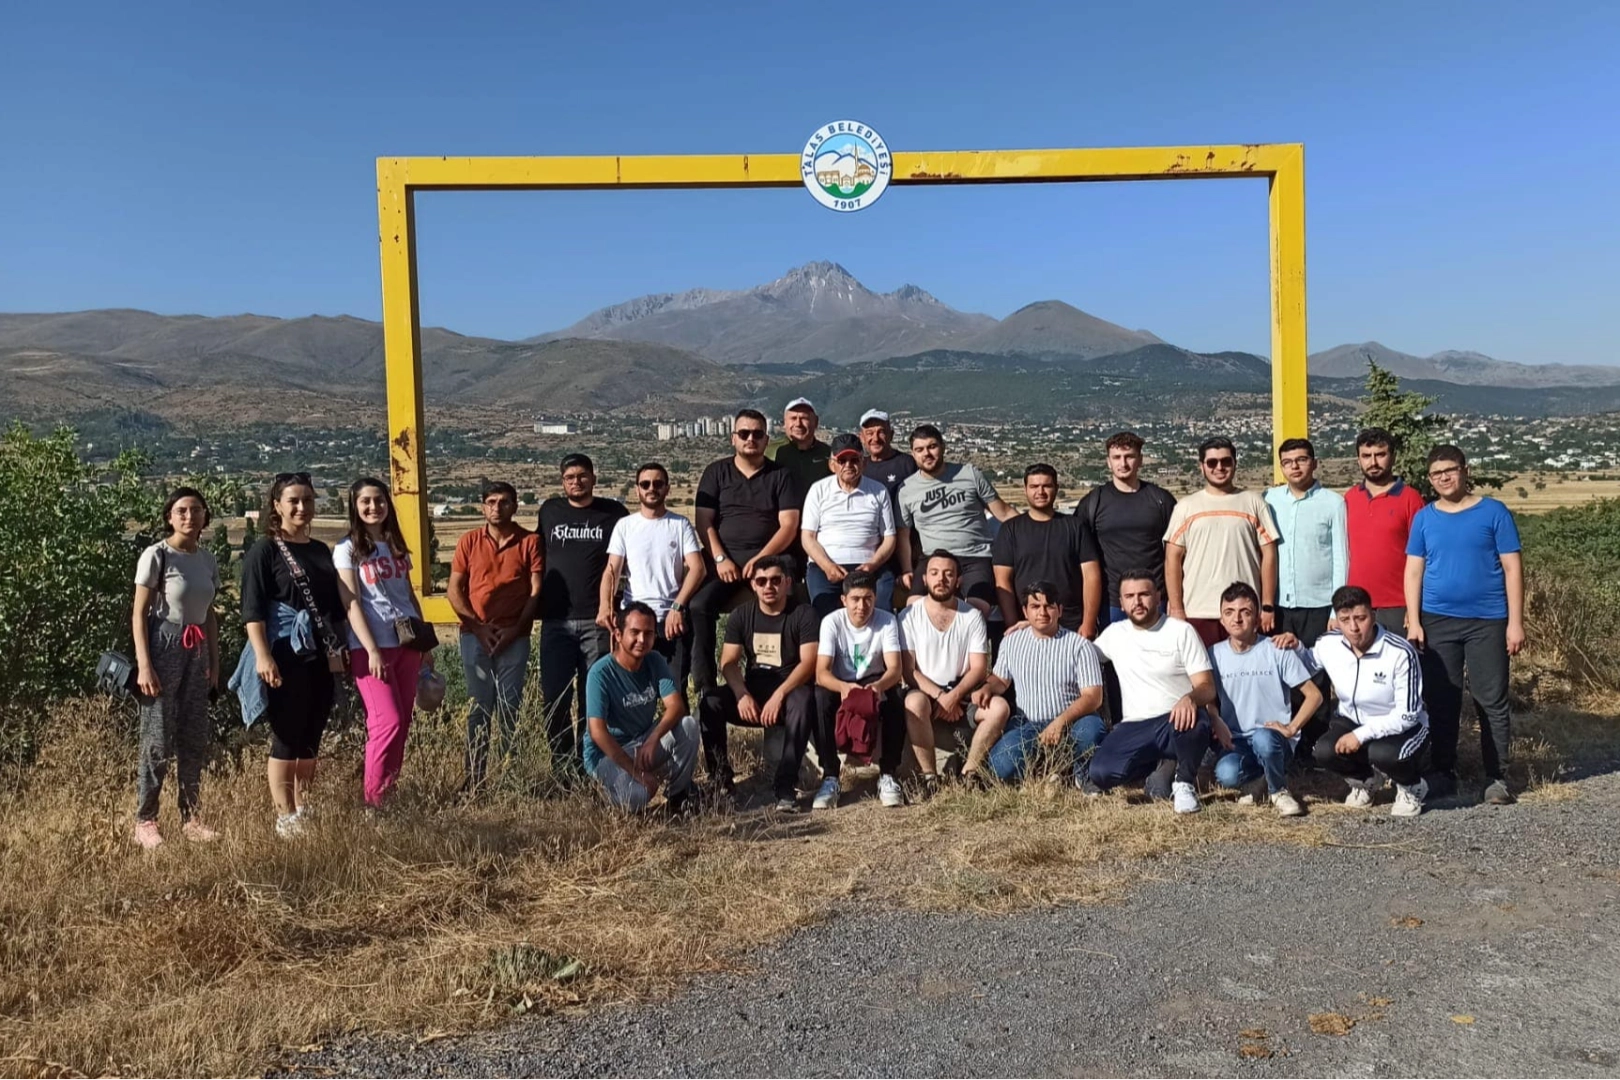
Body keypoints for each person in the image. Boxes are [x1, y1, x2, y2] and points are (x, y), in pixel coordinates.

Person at [1404, 445, 1525, 804]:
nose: (1444, 477)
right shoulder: (1424, 518)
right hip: (1437, 620)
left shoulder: (1494, 512)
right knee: (1442, 700)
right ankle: (1443, 772)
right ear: (1430, 479)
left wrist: (1515, 622)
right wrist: (1414, 620)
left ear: (1465, 471)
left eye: (1450, 470)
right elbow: (1413, 571)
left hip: (1488, 620)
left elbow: (1513, 568)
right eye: (1436, 473)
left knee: (1491, 699)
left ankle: (1497, 777)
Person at [237, 472, 348, 837]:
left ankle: (304, 806)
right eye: (294, 501)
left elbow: (333, 608)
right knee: (287, 733)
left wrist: (338, 649)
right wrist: (263, 656)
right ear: (277, 506)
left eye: (308, 500)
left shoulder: (319, 551)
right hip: (283, 652)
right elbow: (252, 611)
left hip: (318, 653)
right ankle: (284, 815)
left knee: (312, 732)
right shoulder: (264, 551)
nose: (302, 507)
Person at [130, 487, 222, 848]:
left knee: (193, 735)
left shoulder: (207, 560)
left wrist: (214, 661)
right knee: (157, 736)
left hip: (196, 650)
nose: (189, 516)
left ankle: (191, 817)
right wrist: (144, 665)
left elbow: (209, 614)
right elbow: (139, 613)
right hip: (164, 646)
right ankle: (145, 820)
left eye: (196, 510)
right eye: (181, 510)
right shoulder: (157, 555)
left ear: (204, 516)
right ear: (169, 516)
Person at [334, 478, 431, 808]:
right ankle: (373, 802)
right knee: (386, 722)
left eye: (379, 500)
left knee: (402, 723)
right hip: (371, 647)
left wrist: (425, 643)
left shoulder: (395, 545)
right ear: (354, 506)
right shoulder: (347, 549)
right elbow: (351, 603)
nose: (373, 507)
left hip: (407, 642)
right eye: (365, 501)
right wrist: (372, 649)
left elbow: (409, 595)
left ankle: (388, 794)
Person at [697, 556, 821, 811]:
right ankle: (721, 781)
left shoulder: (803, 613)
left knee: (803, 698)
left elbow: (809, 662)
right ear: (753, 585)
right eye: (761, 581)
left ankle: (785, 785)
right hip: (753, 695)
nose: (768, 586)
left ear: (787, 582)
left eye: (775, 580)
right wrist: (741, 693)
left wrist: (779, 695)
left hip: (789, 694)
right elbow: (728, 662)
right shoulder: (742, 615)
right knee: (711, 702)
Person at [1086, 572, 1215, 814]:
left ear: (1157, 597)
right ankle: (1160, 765)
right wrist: (1036, 630)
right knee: (1101, 773)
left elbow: (1207, 686)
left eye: (1144, 594)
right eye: (1129, 596)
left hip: (1174, 721)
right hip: (1134, 725)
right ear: (1121, 603)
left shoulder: (1181, 631)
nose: (1137, 602)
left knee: (1196, 720)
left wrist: (1190, 698)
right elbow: (1077, 655)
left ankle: (1184, 783)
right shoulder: (1114, 634)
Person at [691, 409, 801, 694]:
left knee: (789, 608)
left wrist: (762, 559)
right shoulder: (716, 472)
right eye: (744, 433)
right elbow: (703, 522)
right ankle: (706, 689)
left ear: (766, 440)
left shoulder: (781, 475)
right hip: (724, 560)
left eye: (757, 434)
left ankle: (787, 683)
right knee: (699, 606)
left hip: (771, 559)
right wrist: (720, 558)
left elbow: (789, 525)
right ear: (733, 438)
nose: (750, 438)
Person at [448, 481, 543, 793]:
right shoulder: (469, 541)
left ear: (514, 506)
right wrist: (478, 627)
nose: (497, 507)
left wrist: (516, 629)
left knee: (510, 708)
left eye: (504, 501)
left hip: (515, 637)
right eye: (491, 501)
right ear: (482, 507)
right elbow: (454, 590)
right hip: (475, 635)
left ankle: (509, 779)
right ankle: (474, 779)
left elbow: (535, 591)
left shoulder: (529, 541)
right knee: (479, 708)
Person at [537, 454, 627, 776]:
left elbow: (625, 559)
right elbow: (535, 557)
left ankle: (590, 767)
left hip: (597, 620)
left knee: (593, 698)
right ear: (562, 481)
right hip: (556, 620)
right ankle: (562, 768)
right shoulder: (549, 511)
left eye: (582, 475)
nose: (577, 481)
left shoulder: (614, 513)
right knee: (555, 697)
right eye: (570, 477)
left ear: (593, 478)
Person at [1312, 585, 1430, 817]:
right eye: (1345, 620)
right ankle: (1365, 780)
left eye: (1360, 618)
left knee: (1381, 753)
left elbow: (1407, 715)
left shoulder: (1400, 652)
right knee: (1323, 751)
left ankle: (1412, 786)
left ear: (1373, 615)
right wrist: (1291, 646)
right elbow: (1304, 665)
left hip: (1402, 726)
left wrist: (1360, 735)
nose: (1353, 628)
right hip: (1352, 719)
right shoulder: (1327, 644)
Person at [1263, 437, 1346, 759]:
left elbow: (1341, 557)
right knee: (1281, 673)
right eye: (1287, 462)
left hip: (1319, 604)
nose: (1294, 466)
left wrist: (1337, 610)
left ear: (1314, 463)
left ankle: (1314, 746)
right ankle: (1284, 741)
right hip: (1279, 605)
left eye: (1301, 459)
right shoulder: (1269, 499)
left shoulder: (1333, 503)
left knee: (1316, 675)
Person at [975, 582, 1106, 785]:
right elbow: (1001, 679)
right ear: (1025, 611)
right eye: (1035, 607)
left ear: (1059, 610)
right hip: (1028, 724)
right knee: (1000, 765)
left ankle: (1081, 775)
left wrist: (1060, 722)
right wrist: (988, 687)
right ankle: (1045, 770)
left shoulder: (1079, 645)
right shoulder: (1011, 642)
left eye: (1049, 606)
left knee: (1091, 732)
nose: (1042, 612)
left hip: (1072, 722)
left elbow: (1093, 697)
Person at [1206, 582, 1319, 817]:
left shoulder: (1276, 649)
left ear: (1257, 619)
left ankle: (1279, 791)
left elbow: (1314, 696)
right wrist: (1215, 719)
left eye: (1245, 612)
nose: (1237, 619)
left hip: (1273, 737)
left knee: (1263, 739)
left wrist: (1291, 728)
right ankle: (1263, 778)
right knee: (1226, 774)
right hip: (1237, 741)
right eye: (1229, 612)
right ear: (1222, 620)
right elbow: (1207, 696)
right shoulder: (1213, 654)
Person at [584, 602, 701, 814]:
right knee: (637, 797)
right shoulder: (600, 673)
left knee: (689, 725)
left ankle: (677, 797)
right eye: (635, 632)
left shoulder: (654, 660)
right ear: (618, 635)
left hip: (644, 741)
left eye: (648, 634)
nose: (641, 640)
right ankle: (603, 793)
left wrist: (654, 738)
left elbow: (676, 706)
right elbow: (597, 732)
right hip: (608, 754)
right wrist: (636, 773)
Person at [600, 462, 706, 694]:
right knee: (629, 691)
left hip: (670, 621)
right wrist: (604, 607)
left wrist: (678, 606)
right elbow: (612, 571)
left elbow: (698, 568)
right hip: (633, 620)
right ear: (637, 489)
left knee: (673, 691)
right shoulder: (625, 526)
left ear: (667, 488)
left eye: (658, 484)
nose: (651, 488)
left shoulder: (680, 524)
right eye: (645, 484)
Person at [1164, 437, 1279, 648]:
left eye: (1226, 461)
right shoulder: (1186, 507)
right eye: (1212, 462)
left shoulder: (1253, 502)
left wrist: (1267, 605)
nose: (1219, 467)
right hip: (1198, 611)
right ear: (1201, 466)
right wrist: (1177, 609)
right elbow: (1173, 559)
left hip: (1244, 612)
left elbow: (1269, 554)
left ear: (1235, 463)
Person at [899, 551, 991, 793]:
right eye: (935, 573)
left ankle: (969, 773)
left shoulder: (972, 616)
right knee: (914, 702)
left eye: (948, 574)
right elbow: (908, 670)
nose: (941, 579)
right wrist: (941, 696)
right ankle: (930, 777)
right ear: (925, 579)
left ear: (958, 580)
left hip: (963, 692)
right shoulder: (908, 616)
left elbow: (979, 668)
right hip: (926, 693)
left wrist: (955, 695)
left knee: (999, 709)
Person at [896, 424, 1016, 609]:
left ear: (943, 447)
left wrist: (1034, 530)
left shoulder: (970, 474)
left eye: (932, 446)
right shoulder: (906, 490)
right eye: (920, 449)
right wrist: (907, 569)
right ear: (913, 454)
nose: (926, 453)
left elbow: (1003, 512)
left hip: (974, 558)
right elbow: (903, 535)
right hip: (933, 559)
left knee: (977, 610)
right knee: (914, 608)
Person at [815, 571, 907, 808]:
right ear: (844, 600)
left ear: (875, 598)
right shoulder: (831, 622)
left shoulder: (887, 620)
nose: (861, 606)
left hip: (874, 678)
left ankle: (888, 774)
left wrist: (878, 686)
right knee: (820, 697)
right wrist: (843, 687)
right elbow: (821, 673)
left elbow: (895, 668)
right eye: (855, 599)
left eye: (868, 599)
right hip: (841, 680)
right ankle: (830, 775)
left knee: (896, 697)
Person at [1075, 432, 1177, 628]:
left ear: (1140, 460)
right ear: (1108, 462)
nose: (1123, 463)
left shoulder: (1161, 500)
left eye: (1129, 456)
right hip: (1112, 601)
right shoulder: (1093, 503)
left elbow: (1175, 553)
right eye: (1117, 457)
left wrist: (1174, 600)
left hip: (1156, 598)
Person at [992, 463, 1101, 636]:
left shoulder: (1076, 527)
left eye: (1046, 486)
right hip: (1025, 625)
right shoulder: (1010, 530)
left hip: (1071, 624)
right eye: (1034, 486)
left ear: (1056, 488)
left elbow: (1091, 576)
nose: (1040, 492)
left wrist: (1088, 623)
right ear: (1025, 489)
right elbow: (1002, 581)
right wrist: (1012, 625)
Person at [801, 433, 896, 617]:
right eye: (842, 460)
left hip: (869, 565)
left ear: (864, 462)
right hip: (825, 566)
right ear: (832, 464)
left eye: (854, 460)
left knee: (882, 607)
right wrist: (827, 566)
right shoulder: (818, 490)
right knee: (824, 614)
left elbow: (889, 537)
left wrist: (872, 565)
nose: (848, 465)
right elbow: (808, 537)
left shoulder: (879, 491)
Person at [1344, 428, 1427, 634]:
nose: (1373, 462)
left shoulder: (1411, 499)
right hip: (1357, 604)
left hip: (1398, 605)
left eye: (1380, 455)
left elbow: (1425, 555)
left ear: (1393, 457)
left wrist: (1414, 608)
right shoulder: (1349, 498)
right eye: (1366, 456)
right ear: (1358, 460)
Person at [859, 408, 917, 601]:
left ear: (891, 434)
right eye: (869, 433)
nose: (875, 438)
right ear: (861, 437)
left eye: (881, 432)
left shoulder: (907, 464)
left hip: (902, 553)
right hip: (869, 551)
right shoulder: (859, 467)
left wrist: (907, 567)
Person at [769, 397, 831, 504]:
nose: (798, 423)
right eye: (793, 418)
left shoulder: (829, 454)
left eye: (804, 418)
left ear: (816, 422)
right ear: (785, 423)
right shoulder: (771, 452)